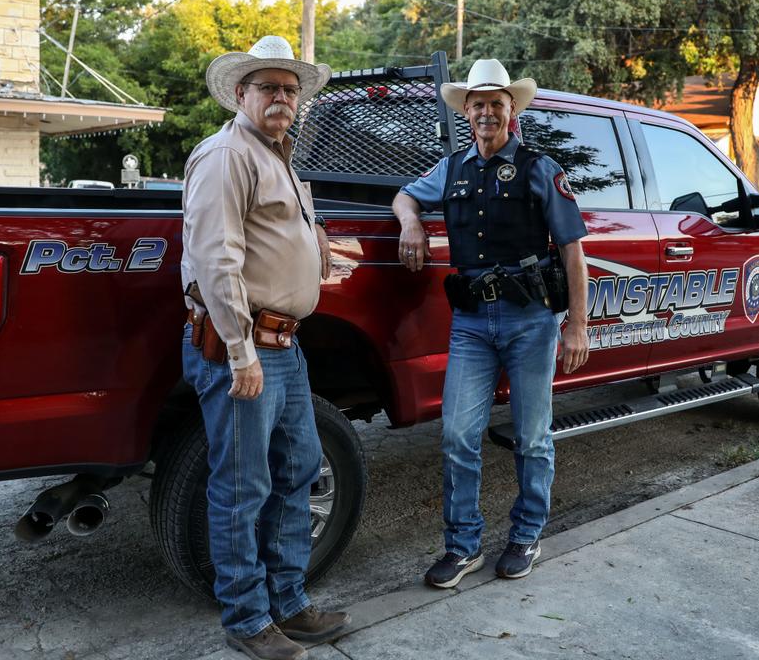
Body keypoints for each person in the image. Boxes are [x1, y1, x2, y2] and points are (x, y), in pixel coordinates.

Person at [393, 58, 590, 588]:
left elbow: (572, 250)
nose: (485, 113)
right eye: (476, 105)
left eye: (495, 104)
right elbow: (404, 195)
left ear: (510, 110)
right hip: (473, 324)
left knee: (531, 437)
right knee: (458, 434)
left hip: (531, 321)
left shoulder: (539, 167)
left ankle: (526, 535)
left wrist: (577, 324)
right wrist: (411, 221)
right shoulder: (452, 168)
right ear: (466, 112)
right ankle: (463, 548)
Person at [182, 35, 348, 660]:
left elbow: (270, 232)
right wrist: (239, 349)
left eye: (289, 89)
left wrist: (314, 244)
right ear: (241, 94)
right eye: (268, 87)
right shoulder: (227, 155)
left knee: (298, 469)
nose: (281, 97)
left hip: (285, 344)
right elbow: (215, 258)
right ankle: (248, 619)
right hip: (244, 345)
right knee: (242, 486)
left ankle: (289, 603)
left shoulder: (277, 155)